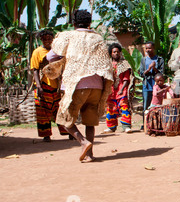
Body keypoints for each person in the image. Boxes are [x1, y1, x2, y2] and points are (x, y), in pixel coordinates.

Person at [47, 10, 113, 163]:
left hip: (75, 85)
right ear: (90, 23)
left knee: (64, 120)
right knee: (90, 122)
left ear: (74, 23)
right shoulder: (98, 38)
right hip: (97, 86)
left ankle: (83, 142)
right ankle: (89, 155)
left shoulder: (68, 36)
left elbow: (50, 56)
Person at [30, 29, 69, 142]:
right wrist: (39, 86)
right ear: (41, 39)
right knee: (43, 110)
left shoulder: (57, 51)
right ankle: (46, 134)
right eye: (44, 39)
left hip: (57, 85)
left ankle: (67, 131)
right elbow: (35, 70)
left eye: (49, 39)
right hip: (44, 84)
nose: (47, 41)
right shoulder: (37, 52)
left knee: (60, 109)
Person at [104, 43, 133, 134]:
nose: (116, 53)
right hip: (111, 90)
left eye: (118, 52)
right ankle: (111, 127)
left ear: (120, 53)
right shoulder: (107, 65)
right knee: (111, 108)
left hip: (121, 89)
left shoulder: (125, 64)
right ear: (111, 53)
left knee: (124, 107)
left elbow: (126, 78)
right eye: (114, 52)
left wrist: (122, 89)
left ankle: (126, 126)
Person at [139, 41, 164, 117]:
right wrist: (149, 68)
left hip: (157, 87)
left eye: (149, 48)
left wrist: (154, 68)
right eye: (146, 48)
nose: (148, 50)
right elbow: (141, 73)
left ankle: (156, 124)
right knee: (146, 106)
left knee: (158, 106)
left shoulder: (159, 59)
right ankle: (145, 125)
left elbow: (162, 73)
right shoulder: (143, 60)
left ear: (153, 48)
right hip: (147, 86)